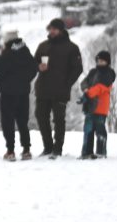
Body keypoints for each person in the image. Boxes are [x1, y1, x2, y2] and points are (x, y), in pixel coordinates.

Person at [33, 18, 83, 159]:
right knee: (41, 116)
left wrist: (67, 84)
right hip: (43, 88)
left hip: (60, 90)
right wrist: (38, 66)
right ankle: (48, 147)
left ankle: (57, 149)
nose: (51, 31)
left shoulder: (72, 48)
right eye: (50, 29)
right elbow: (34, 62)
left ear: (61, 30)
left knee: (59, 120)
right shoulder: (43, 46)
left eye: (54, 29)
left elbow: (78, 68)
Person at [0, 30, 38, 161]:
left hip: (7, 93)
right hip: (23, 92)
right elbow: (34, 69)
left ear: (6, 41)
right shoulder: (25, 51)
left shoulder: (6, 53)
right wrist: (25, 80)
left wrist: (0, 55)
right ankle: (26, 150)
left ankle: (10, 151)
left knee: (8, 122)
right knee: (23, 122)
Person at [78, 51, 115, 160]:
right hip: (90, 106)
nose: (100, 63)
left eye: (102, 61)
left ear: (107, 62)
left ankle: (101, 152)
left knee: (100, 131)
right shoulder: (93, 72)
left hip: (101, 106)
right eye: (98, 60)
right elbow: (84, 82)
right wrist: (85, 89)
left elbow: (101, 87)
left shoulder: (109, 73)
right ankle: (86, 152)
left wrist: (88, 93)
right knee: (88, 129)